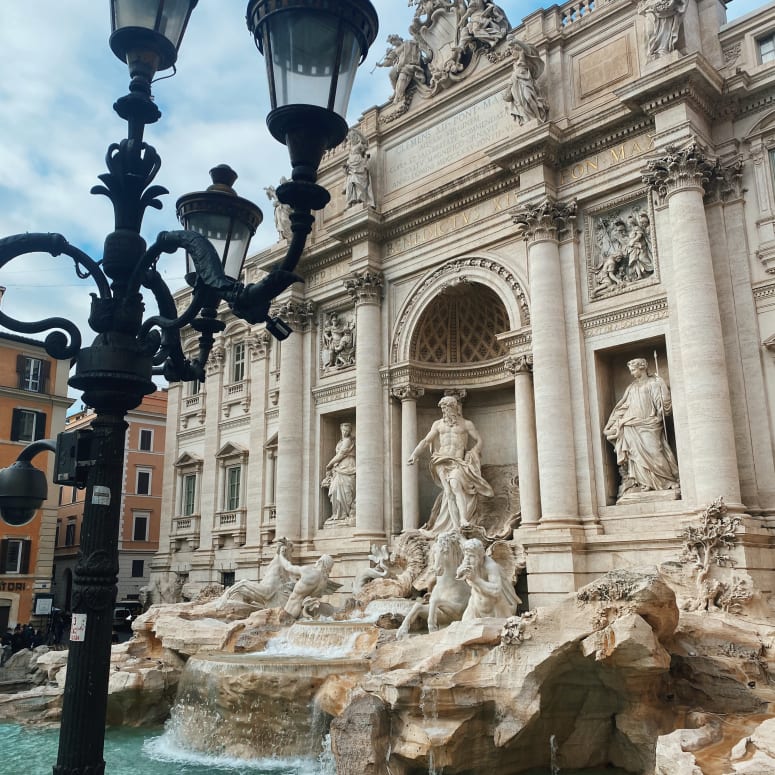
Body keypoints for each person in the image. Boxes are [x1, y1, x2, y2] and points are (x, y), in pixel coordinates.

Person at [408, 395, 493, 534]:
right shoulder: (438, 424)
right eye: (442, 409)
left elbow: (479, 440)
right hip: (441, 460)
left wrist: (473, 452)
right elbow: (425, 441)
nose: (444, 412)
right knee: (448, 492)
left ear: (454, 407)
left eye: (446, 408)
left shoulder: (466, 424)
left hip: (457, 461)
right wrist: (415, 454)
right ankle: (456, 526)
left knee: (455, 485)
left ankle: (463, 519)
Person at [604, 357, 680, 498]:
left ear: (642, 367)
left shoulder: (654, 383)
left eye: (633, 370)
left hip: (649, 423)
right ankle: (644, 483)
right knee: (636, 455)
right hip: (631, 424)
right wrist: (611, 424)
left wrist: (662, 386)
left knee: (655, 450)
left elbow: (664, 404)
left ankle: (667, 481)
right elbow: (623, 407)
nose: (632, 373)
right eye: (631, 370)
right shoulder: (631, 387)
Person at [278, 550, 337, 620]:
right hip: (302, 613)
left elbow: (288, 567)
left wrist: (281, 555)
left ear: (321, 562)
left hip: (290, 611)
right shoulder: (324, 582)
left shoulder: (309, 571)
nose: (316, 562)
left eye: (318, 560)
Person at [503, 48, 548, 125]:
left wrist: (515, 41)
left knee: (529, 98)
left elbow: (526, 48)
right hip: (516, 84)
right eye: (510, 51)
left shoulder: (522, 59)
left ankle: (537, 116)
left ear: (518, 50)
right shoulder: (514, 65)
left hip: (525, 82)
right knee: (520, 103)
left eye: (513, 50)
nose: (512, 53)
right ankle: (527, 118)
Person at [322, 423, 356, 525]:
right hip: (339, 468)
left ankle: (344, 514)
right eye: (343, 430)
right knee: (335, 489)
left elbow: (341, 454)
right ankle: (337, 514)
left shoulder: (348, 441)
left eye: (347, 431)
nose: (345, 432)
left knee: (346, 490)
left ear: (350, 432)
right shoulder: (340, 441)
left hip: (348, 466)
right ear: (341, 430)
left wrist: (329, 465)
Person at [376, 34, 425, 104]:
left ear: (398, 39)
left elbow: (417, 45)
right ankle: (395, 91)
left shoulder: (408, 43)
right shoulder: (395, 50)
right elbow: (389, 60)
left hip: (409, 63)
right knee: (391, 74)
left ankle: (398, 95)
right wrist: (381, 64)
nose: (393, 43)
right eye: (391, 42)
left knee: (403, 75)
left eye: (394, 41)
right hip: (399, 65)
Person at [343, 129, 374, 208]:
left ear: (356, 137)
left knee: (358, 181)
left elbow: (365, 144)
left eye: (352, 136)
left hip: (359, 164)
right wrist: (346, 166)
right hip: (351, 164)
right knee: (351, 182)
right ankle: (352, 200)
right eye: (350, 137)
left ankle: (360, 199)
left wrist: (357, 132)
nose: (351, 139)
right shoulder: (351, 148)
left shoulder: (360, 144)